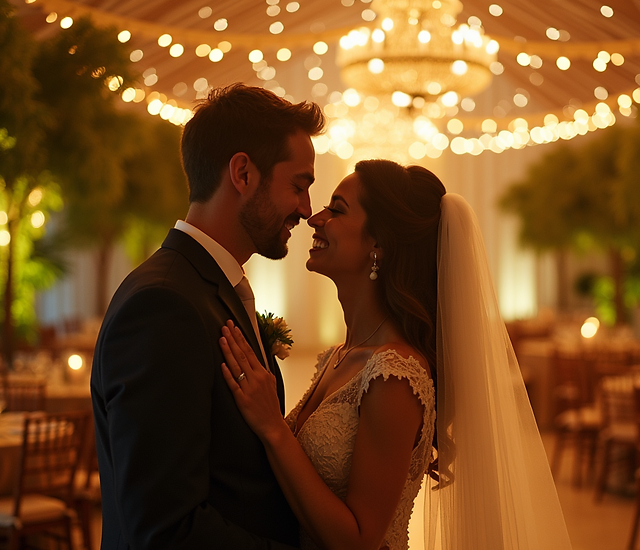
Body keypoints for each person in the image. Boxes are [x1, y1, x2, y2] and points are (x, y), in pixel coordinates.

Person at [219, 160, 573, 549]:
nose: (315, 218)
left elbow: (359, 541)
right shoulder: (339, 356)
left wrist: (273, 428)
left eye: (337, 210)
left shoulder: (395, 374)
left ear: (379, 244)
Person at [91, 83, 324, 549]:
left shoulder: (206, 288)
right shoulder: (163, 305)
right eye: (298, 186)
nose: (306, 209)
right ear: (243, 173)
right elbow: (165, 531)